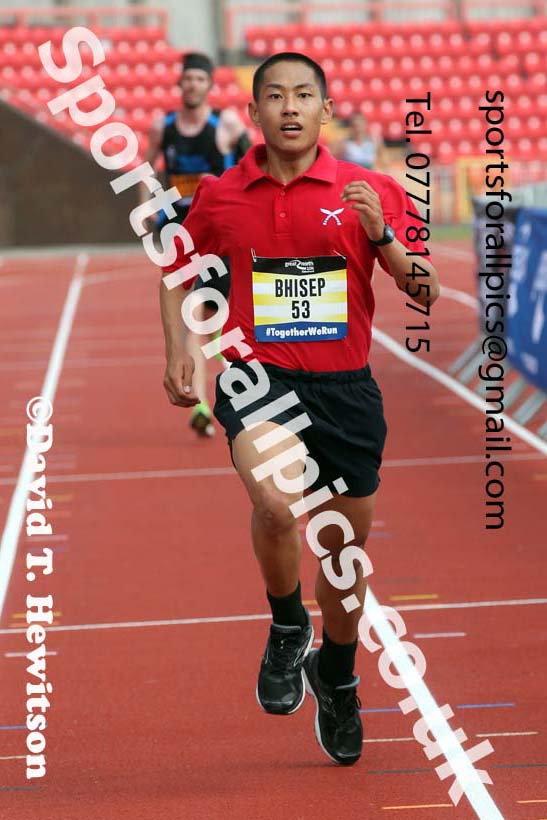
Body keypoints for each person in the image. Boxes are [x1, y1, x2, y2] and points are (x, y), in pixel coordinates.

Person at [160, 52, 439, 765]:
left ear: (325, 110)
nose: (289, 106)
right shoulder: (222, 196)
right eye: (275, 95)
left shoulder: (367, 187)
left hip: (346, 392)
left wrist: (380, 234)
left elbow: (425, 289)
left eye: (303, 95)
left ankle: (337, 677)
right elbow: (176, 270)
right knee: (278, 506)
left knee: (344, 562)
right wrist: (182, 348)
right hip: (260, 381)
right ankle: (288, 626)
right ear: (252, 114)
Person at [144, 51, 251, 436]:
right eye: (187, 78)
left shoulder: (227, 124)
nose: (192, 85)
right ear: (180, 83)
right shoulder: (163, 126)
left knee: (221, 317)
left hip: (220, 233)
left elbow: (253, 160)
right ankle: (201, 403)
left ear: (209, 84)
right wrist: (145, 212)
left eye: (199, 79)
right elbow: (147, 166)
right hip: (179, 232)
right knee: (195, 315)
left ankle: (233, 392)